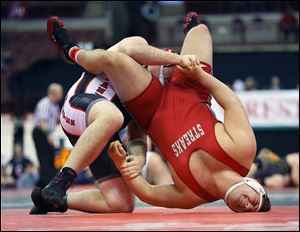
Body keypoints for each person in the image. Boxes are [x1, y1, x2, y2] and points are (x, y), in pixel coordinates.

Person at [49, 13, 271, 212]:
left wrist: (122, 163)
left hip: (151, 108)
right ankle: (75, 53)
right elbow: (232, 102)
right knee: (200, 31)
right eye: (255, 201)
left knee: (116, 58)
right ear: (255, 186)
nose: (248, 206)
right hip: (192, 87)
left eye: (251, 210)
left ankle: (72, 51)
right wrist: (199, 75)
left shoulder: (193, 196)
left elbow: (148, 193)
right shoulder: (243, 153)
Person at [30, 15, 177, 214]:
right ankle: (61, 181)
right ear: (155, 58)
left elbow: (137, 136)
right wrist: (178, 59)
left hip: (98, 130)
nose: (159, 79)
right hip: (80, 104)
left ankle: (51, 199)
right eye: (162, 68)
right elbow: (123, 51)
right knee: (113, 117)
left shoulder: (150, 99)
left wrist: (139, 158)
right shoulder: (136, 50)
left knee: (122, 203)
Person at [32, 83, 63, 188]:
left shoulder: (55, 105)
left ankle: (43, 182)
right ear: (54, 93)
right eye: (60, 92)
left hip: (47, 133)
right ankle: (48, 183)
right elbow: (42, 122)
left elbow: (57, 120)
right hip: (41, 133)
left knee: (50, 157)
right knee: (45, 157)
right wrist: (48, 135)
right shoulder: (45, 103)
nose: (62, 94)